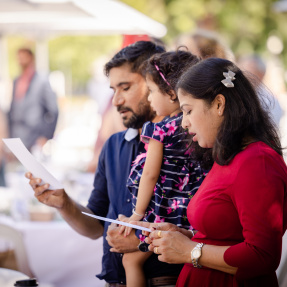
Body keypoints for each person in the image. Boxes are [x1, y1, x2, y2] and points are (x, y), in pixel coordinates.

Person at [25, 41, 185, 286]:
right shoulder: (113, 146)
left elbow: (199, 226)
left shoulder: (188, 143)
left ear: (157, 84)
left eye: (125, 87)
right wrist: (64, 203)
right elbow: (95, 227)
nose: (116, 100)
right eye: (113, 90)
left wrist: (143, 242)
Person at [135, 57, 287, 286]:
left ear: (218, 104)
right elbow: (227, 235)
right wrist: (181, 237)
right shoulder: (229, 156)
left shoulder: (257, 161)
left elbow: (262, 255)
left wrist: (190, 251)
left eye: (188, 111)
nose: (183, 123)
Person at [120, 50, 207, 287]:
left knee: (130, 261)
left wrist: (136, 215)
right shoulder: (203, 126)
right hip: (193, 215)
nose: (148, 99)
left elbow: (150, 174)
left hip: (164, 213)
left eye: (151, 92)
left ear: (171, 93)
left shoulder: (159, 129)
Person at [7, 47, 58, 151]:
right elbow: (12, 109)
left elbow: (53, 110)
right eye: (19, 57)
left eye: (23, 57)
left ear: (31, 58)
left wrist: (46, 136)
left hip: (34, 138)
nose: (21, 60)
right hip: (17, 139)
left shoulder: (41, 81)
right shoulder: (17, 81)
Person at [237, 54, 283, 128]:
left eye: (248, 70)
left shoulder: (272, 101)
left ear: (261, 74)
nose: (244, 75)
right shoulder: (236, 93)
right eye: (242, 69)